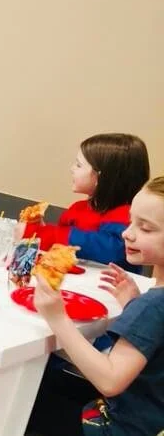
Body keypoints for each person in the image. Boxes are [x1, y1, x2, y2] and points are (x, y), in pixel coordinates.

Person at [32, 176, 164, 436]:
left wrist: (57, 317)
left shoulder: (153, 305)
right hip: (150, 415)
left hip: (121, 426)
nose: (128, 233)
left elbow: (110, 380)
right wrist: (131, 305)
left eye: (145, 229)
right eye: (131, 222)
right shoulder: (149, 301)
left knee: (28, 397)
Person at [19, 134, 150, 274]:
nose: (72, 169)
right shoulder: (77, 209)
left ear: (101, 176)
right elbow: (64, 250)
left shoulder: (127, 215)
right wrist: (40, 232)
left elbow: (113, 250)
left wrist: (48, 235)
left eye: (79, 165)